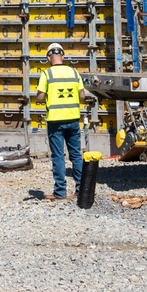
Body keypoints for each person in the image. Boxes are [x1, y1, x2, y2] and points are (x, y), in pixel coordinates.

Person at [33, 42, 94, 201]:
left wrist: (46, 96)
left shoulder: (47, 75)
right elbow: (82, 96)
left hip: (55, 121)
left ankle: (60, 193)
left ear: (48, 57)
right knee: (76, 155)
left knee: (58, 156)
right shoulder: (74, 73)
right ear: (63, 56)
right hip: (73, 119)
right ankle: (81, 190)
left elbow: (39, 97)